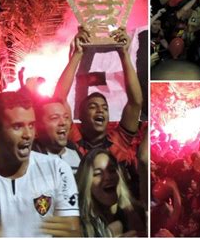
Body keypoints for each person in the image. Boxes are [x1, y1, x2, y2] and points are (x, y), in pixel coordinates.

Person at [0, 91, 80, 237]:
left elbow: (72, 233)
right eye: (17, 126)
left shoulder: (57, 169)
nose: (28, 134)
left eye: (31, 125)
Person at [53, 27, 143, 166]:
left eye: (104, 108)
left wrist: (123, 53)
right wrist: (78, 53)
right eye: (93, 107)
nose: (100, 110)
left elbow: (135, 103)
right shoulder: (72, 142)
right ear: (80, 116)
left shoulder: (119, 142)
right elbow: (59, 100)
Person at [76, 148, 146, 237]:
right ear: (86, 184)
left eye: (112, 170)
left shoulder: (137, 212)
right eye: (97, 173)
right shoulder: (79, 226)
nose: (108, 177)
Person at [33, 96, 81, 174]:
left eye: (66, 117)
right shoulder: (29, 160)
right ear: (38, 125)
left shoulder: (77, 155)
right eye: (55, 118)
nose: (63, 123)